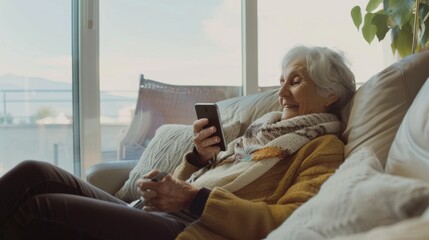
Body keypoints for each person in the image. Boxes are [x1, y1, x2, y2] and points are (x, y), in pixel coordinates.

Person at [0, 45, 356, 240]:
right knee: (36, 172)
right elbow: (200, 179)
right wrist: (199, 160)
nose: (280, 93)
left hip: (190, 228)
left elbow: (286, 220)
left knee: (41, 208)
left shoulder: (323, 149)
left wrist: (193, 198)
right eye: (281, 81)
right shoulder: (263, 130)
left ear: (330, 95)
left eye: (295, 82)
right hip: (166, 210)